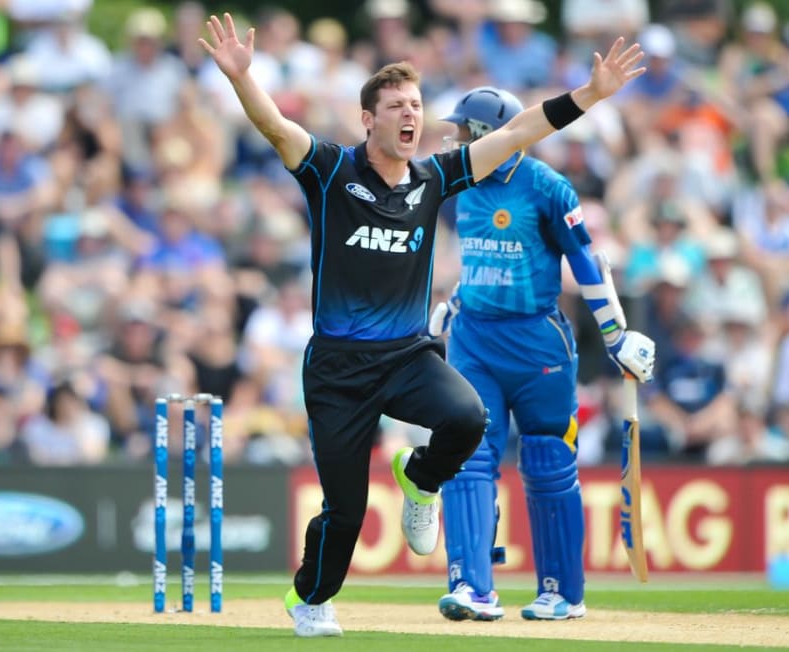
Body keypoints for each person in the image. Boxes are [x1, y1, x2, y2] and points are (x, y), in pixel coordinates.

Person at [200, 12, 651, 637]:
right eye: (396, 106)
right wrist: (243, 79)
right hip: (338, 368)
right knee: (346, 512)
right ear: (369, 119)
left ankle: (419, 479)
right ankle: (311, 598)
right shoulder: (331, 171)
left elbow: (519, 129)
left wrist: (591, 95)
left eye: (416, 104)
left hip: (408, 356)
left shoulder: (435, 178)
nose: (411, 115)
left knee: (469, 419)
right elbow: (275, 127)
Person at [430, 86, 657, 621]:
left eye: (464, 131)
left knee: (549, 461)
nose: (457, 139)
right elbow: (485, 261)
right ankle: (473, 587)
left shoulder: (547, 188)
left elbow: (584, 263)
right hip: (475, 341)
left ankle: (562, 592)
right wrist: (455, 301)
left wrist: (616, 336)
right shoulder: (462, 186)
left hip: (538, 345)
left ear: (488, 136)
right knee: (467, 454)